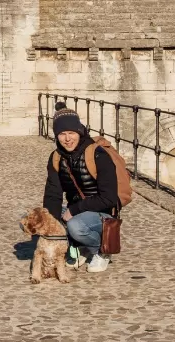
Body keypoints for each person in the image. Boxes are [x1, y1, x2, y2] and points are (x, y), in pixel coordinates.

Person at [42, 104, 119, 273]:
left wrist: (73, 210)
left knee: (75, 226)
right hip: (76, 210)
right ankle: (80, 246)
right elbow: (52, 194)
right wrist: (50, 224)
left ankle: (101, 250)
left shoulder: (98, 154)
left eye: (71, 133)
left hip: (103, 213)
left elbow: (109, 198)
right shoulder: (56, 157)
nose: (67, 139)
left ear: (80, 131)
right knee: (35, 219)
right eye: (62, 134)